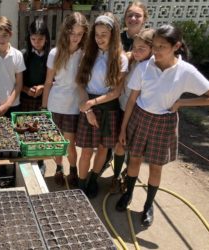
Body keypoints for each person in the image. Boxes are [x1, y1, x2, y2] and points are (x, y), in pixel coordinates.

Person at [115, 24, 209, 227]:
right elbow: (131, 101)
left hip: (164, 123)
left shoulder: (186, 71)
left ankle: (148, 205)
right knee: (134, 161)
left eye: (161, 46)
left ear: (176, 46)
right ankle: (128, 194)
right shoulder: (144, 67)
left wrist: (182, 102)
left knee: (156, 168)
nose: (155, 51)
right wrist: (123, 129)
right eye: (154, 46)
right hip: (139, 117)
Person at [75, 12, 128, 197]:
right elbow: (80, 84)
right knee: (87, 150)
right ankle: (80, 185)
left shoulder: (121, 59)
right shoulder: (87, 54)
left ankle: (93, 180)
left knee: (104, 149)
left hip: (109, 108)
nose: (99, 38)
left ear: (113, 35)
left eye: (104, 34)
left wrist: (93, 102)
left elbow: (116, 92)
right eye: (97, 34)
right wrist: (88, 109)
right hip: (88, 106)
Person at [41, 12, 89, 186]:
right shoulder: (55, 53)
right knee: (56, 143)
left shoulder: (84, 54)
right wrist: (44, 107)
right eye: (72, 33)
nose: (75, 37)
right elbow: (48, 82)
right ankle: (59, 168)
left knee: (69, 143)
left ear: (84, 34)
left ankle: (74, 170)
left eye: (80, 34)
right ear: (66, 31)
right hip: (55, 103)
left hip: (73, 106)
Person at [102, 0, 149, 173]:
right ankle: (113, 169)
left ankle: (126, 174)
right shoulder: (117, 37)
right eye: (130, 15)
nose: (133, 18)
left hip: (139, 100)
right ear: (125, 18)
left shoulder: (149, 39)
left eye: (138, 15)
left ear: (144, 19)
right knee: (115, 138)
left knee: (134, 143)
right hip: (118, 95)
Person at [110, 28, 155, 194]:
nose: (136, 51)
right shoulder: (131, 60)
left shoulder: (152, 67)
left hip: (139, 114)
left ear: (152, 49)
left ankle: (126, 176)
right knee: (120, 145)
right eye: (134, 47)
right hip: (123, 108)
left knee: (135, 151)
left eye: (142, 48)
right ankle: (116, 176)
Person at [20, 17, 51, 176]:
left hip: (43, 100)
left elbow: (56, 80)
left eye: (40, 38)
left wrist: (43, 87)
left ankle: (40, 161)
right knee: (25, 130)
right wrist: (26, 90)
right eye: (33, 39)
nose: (37, 42)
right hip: (26, 99)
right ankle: (25, 160)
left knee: (40, 131)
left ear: (46, 38)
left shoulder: (51, 56)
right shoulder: (23, 55)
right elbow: (17, 81)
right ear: (29, 38)